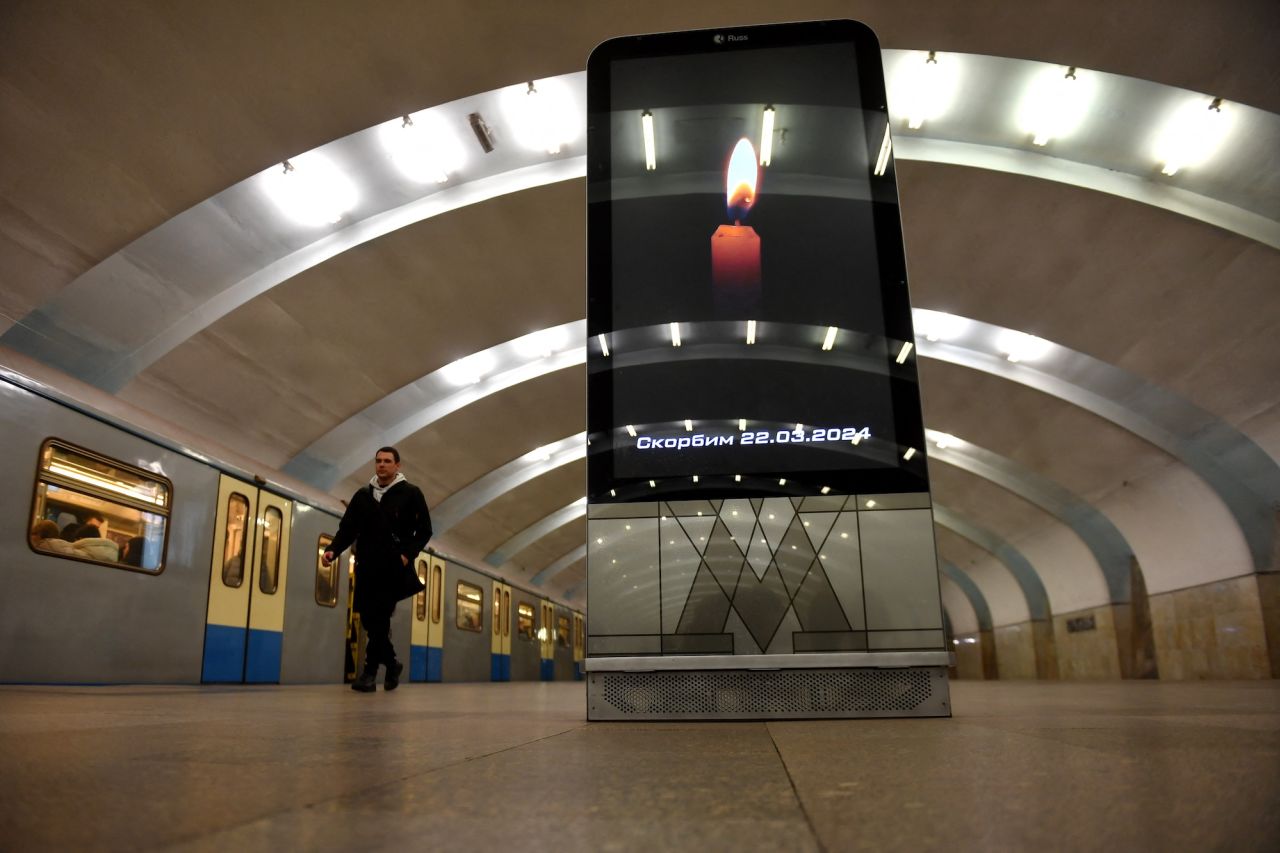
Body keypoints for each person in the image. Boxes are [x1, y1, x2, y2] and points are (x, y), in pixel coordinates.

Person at [323, 446, 431, 693]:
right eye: (378, 461)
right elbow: (348, 528)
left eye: (387, 461)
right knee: (371, 620)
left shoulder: (411, 494)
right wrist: (332, 549)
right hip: (366, 566)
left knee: (379, 618)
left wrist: (407, 555)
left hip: (393, 567)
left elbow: (425, 530)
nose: (381, 465)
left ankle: (369, 674)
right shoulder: (363, 495)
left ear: (397, 466)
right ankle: (392, 665)